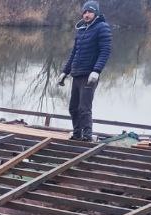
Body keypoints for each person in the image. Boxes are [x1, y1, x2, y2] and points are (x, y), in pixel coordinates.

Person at [59, 1, 112, 141]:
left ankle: (87, 137)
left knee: (84, 108)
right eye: (85, 12)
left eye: (90, 12)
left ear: (96, 13)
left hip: (89, 75)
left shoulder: (102, 27)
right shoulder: (81, 29)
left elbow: (105, 51)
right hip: (77, 74)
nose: (86, 14)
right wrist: (65, 72)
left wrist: (96, 71)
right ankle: (77, 134)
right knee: (73, 108)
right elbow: (74, 53)